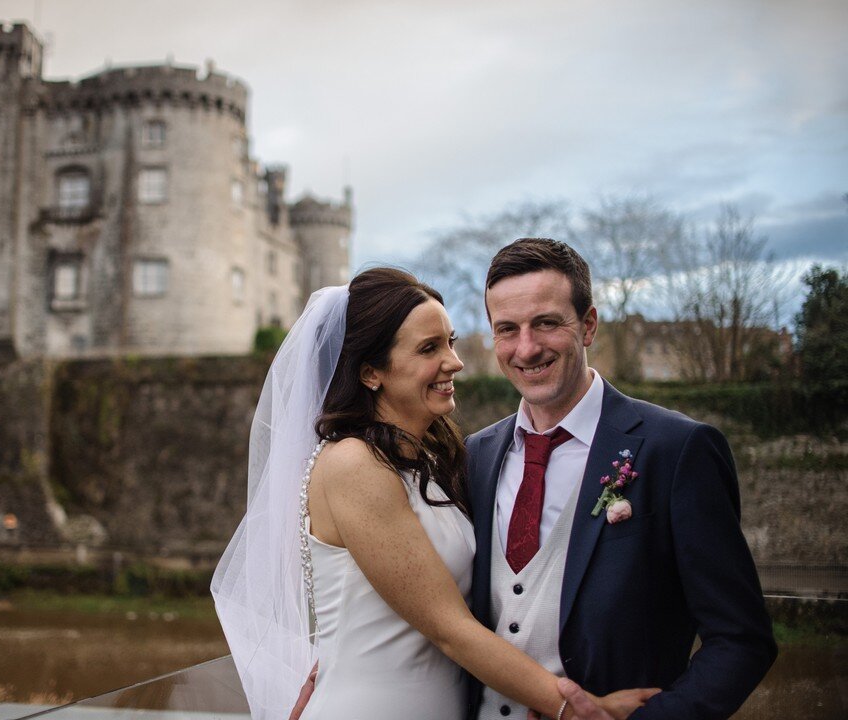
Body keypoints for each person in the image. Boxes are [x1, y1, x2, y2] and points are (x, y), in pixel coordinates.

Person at [212, 267, 656, 720]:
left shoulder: (433, 460)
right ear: (370, 373)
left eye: (451, 341)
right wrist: (577, 708)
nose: (454, 362)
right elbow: (450, 628)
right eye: (429, 348)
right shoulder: (353, 464)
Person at [465, 238, 777, 719]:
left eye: (546, 323)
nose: (526, 348)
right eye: (507, 329)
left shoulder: (676, 449)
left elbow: (741, 640)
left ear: (588, 325)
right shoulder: (476, 456)